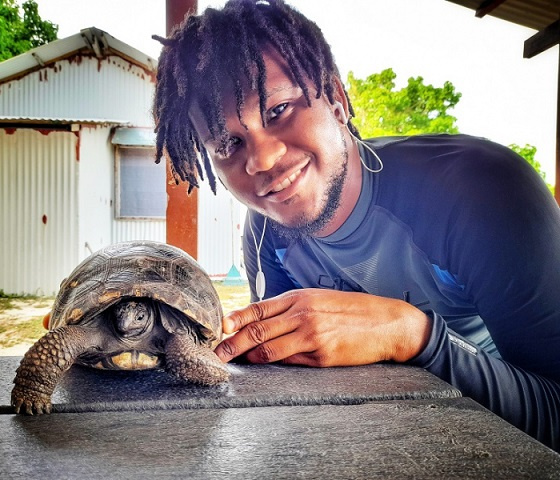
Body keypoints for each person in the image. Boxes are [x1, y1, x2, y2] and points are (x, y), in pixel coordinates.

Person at [152, 0, 560, 451]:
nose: (262, 160)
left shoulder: (483, 193)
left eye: (278, 110)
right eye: (228, 142)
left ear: (338, 99)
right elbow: (281, 372)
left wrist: (415, 335)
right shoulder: (268, 232)